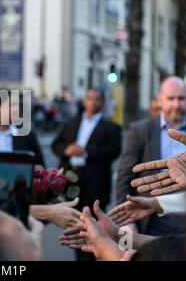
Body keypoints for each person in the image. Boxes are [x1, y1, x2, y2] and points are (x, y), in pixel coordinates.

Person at [116, 76, 186, 236]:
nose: (176, 105)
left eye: (181, 98)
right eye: (170, 98)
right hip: (150, 217)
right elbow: (124, 178)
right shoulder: (140, 130)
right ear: (159, 100)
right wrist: (127, 223)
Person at [51, 88, 121, 260]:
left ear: (103, 103)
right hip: (72, 182)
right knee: (76, 228)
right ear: (84, 101)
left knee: (94, 231)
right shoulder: (71, 123)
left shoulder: (110, 127)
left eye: (97, 99)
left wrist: (86, 151)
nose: (93, 102)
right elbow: (56, 144)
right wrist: (67, 150)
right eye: (90, 98)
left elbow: (114, 150)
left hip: (95, 184)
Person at [0, 89, 45, 167]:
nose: (16, 109)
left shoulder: (27, 135)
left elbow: (40, 167)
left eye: (18, 105)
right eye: (11, 105)